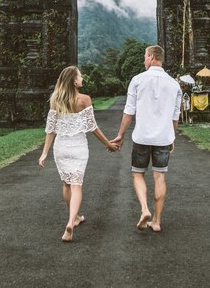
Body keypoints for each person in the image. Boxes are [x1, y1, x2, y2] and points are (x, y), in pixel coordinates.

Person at [38, 66, 118, 242]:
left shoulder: (55, 100)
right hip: (78, 147)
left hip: (61, 148)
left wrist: (44, 153)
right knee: (77, 185)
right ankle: (71, 220)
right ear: (74, 81)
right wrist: (108, 144)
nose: (82, 78)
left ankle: (74, 218)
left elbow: (50, 129)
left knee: (67, 184)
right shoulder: (85, 100)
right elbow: (93, 127)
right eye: (80, 76)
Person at [111, 45, 182, 233]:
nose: (144, 60)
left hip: (142, 137)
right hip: (163, 139)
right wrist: (171, 138)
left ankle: (144, 209)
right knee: (159, 177)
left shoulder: (137, 80)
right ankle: (157, 222)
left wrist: (120, 134)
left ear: (151, 57)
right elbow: (175, 117)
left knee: (137, 174)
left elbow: (129, 111)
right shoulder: (174, 84)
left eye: (145, 57)